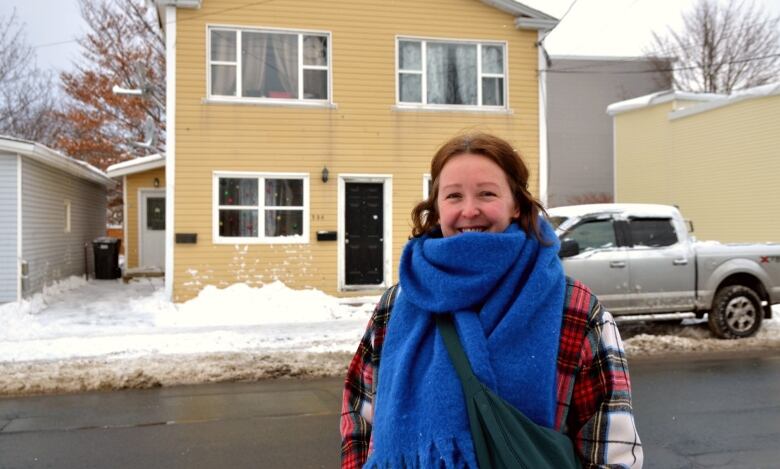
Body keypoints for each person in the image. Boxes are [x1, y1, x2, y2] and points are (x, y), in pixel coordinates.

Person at [340, 132, 643, 468]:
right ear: (437, 208)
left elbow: (612, 448)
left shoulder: (576, 310)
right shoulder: (397, 304)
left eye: (486, 193)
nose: (469, 210)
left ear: (516, 204)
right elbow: (360, 410)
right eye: (453, 196)